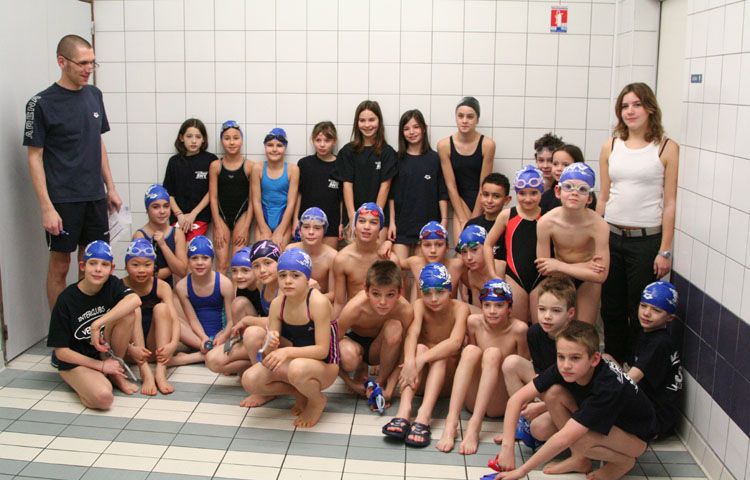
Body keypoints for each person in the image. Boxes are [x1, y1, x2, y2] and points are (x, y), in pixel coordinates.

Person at [25, 34, 123, 311]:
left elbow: (97, 142)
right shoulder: (40, 103)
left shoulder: (94, 95)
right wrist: (47, 207)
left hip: (94, 195)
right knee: (60, 265)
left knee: (92, 263)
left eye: (92, 62)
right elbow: (34, 158)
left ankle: (87, 324)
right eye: (82, 63)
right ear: (62, 62)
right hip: (63, 198)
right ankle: (61, 329)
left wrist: (110, 187)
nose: (88, 69)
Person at [491, 321, 656, 480]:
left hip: (635, 437)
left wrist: (521, 471)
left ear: (594, 359)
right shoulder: (564, 367)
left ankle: (623, 461)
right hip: (608, 420)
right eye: (561, 356)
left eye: (575, 358)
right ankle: (579, 459)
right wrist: (507, 448)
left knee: (581, 441)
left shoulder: (607, 388)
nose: (566, 365)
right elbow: (516, 399)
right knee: (553, 394)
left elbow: (565, 438)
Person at [597, 82, 680, 364]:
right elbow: (604, 196)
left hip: (646, 241)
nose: (630, 111)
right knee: (611, 308)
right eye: (624, 106)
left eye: (636, 105)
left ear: (650, 109)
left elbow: (670, 203)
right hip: (611, 237)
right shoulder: (611, 146)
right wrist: (596, 239)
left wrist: (665, 249)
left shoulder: (666, 148)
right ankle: (614, 366)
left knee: (640, 311)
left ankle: (637, 369)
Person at [240, 248, 340, 428]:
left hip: (325, 366)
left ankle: (316, 400)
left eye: (295, 275)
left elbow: (322, 351)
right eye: (282, 275)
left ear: (307, 279)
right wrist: (270, 344)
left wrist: (285, 352)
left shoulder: (318, 303)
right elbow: (269, 353)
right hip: (296, 362)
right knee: (250, 380)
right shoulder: (277, 304)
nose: (288, 281)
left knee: (297, 368)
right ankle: (299, 391)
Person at [437, 279, 529, 455]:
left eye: (499, 305)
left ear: (510, 308)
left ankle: (475, 425)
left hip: (500, 401)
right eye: (487, 305)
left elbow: (522, 367)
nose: (492, 311)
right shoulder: (474, 322)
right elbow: (473, 364)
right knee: (470, 350)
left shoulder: (519, 329)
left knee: (492, 354)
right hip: (474, 399)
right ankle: (451, 423)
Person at [382, 263, 469, 448]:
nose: (434, 299)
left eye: (440, 292)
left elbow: (455, 343)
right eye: (427, 293)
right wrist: (409, 362)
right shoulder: (419, 305)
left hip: (445, 382)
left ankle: (423, 416)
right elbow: (412, 334)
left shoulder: (460, 308)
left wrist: (419, 360)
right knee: (420, 347)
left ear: (450, 290)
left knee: (438, 354)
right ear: (421, 293)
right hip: (417, 379)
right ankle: (404, 411)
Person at [47, 241, 141, 409]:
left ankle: (115, 373)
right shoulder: (66, 300)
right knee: (104, 398)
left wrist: (97, 324)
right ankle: (93, 378)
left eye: (104, 264)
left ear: (111, 269)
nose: (98, 269)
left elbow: (134, 300)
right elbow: (61, 352)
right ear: (82, 266)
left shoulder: (111, 284)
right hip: (77, 362)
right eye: (93, 263)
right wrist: (100, 366)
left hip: (102, 353)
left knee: (128, 312)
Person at [497, 277, 577, 446]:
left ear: (570, 314)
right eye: (542, 309)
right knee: (511, 363)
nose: (547, 316)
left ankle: (575, 444)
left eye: (556, 311)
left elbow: (578, 391)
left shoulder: (575, 340)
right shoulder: (534, 333)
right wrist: (529, 405)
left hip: (573, 399)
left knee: (539, 429)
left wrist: (542, 407)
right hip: (549, 387)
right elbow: (540, 375)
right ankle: (522, 421)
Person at [536, 163, 609, 324]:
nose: (574, 193)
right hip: (562, 278)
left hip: (587, 281)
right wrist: (586, 266)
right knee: (558, 327)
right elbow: (544, 268)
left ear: (589, 198)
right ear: (558, 191)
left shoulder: (599, 225)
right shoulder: (546, 222)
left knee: (582, 330)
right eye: (568, 187)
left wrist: (559, 265)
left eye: (582, 189)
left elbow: (601, 276)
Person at [337, 260, 414, 404]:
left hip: (379, 349)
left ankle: (380, 381)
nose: (382, 302)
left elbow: (404, 354)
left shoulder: (405, 311)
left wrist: (390, 389)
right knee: (348, 356)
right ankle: (361, 365)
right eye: (376, 294)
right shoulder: (355, 308)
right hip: (355, 341)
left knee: (394, 327)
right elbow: (329, 348)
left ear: (399, 292)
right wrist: (350, 383)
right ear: (366, 290)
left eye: (390, 295)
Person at [621, 281, 682, 438]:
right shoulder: (646, 333)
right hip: (648, 407)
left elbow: (631, 379)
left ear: (670, 317)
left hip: (657, 421)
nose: (646, 313)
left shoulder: (660, 343)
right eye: (643, 306)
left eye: (656, 310)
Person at [485, 166, 545, 323]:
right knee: (517, 327)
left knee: (540, 328)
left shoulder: (548, 216)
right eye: (522, 193)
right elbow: (488, 244)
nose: (528, 198)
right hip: (514, 279)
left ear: (542, 192)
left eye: (534, 193)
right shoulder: (507, 215)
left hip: (541, 279)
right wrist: (493, 275)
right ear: (516, 192)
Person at [388, 109, 448, 263]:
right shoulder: (396, 159)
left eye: (416, 127)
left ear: (424, 128)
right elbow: (391, 195)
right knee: (398, 267)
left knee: (421, 271)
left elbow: (442, 193)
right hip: (402, 225)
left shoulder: (435, 159)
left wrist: (444, 220)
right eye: (406, 128)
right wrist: (392, 223)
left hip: (427, 224)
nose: (411, 132)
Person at [122, 238, 179, 395]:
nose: (141, 270)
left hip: (155, 350)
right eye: (135, 265)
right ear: (126, 266)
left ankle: (161, 371)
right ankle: (145, 371)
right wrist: (130, 348)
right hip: (131, 351)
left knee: (162, 308)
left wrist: (173, 344)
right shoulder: (119, 286)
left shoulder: (161, 286)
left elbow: (174, 319)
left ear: (154, 266)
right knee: (133, 306)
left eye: (147, 265)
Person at [334, 100, 398, 240]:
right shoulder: (348, 151)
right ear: (357, 123)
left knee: (376, 253)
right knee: (354, 253)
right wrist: (352, 216)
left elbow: (385, 187)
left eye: (371, 120)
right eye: (362, 120)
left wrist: (375, 217)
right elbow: (347, 185)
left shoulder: (387, 152)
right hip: (354, 216)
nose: (367, 125)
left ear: (379, 121)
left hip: (379, 216)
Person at [438, 96, 496, 237]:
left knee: (478, 245)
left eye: (470, 117)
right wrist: (463, 219)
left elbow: (484, 185)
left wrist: (475, 218)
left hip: (480, 200)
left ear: (477, 120)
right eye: (460, 116)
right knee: (462, 245)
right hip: (459, 200)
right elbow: (451, 185)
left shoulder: (487, 145)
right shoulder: (444, 145)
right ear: (456, 118)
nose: (464, 121)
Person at [172, 235, 234, 366]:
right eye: (194, 258)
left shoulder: (224, 284)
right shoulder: (182, 286)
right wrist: (203, 337)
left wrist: (222, 336)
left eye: (205, 258)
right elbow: (192, 320)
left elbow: (231, 321)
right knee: (173, 321)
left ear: (212, 260)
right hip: (197, 337)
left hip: (221, 335)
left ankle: (192, 357)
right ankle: (211, 351)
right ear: (189, 260)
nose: (199, 263)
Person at [204, 247, 263, 376]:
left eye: (245, 271)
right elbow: (236, 323)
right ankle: (253, 361)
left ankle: (258, 371)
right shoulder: (242, 288)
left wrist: (248, 321)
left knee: (239, 303)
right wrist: (226, 336)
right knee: (212, 361)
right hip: (252, 339)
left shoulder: (265, 288)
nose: (239, 276)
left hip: (268, 339)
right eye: (235, 271)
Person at [332, 203, 398, 318]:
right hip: (355, 321)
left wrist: (388, 242)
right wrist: (334, 326)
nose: (367, 227)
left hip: (381, 321)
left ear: (380, 228)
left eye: (373, 222)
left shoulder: (390, 259)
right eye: (362, 221)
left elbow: (399, 302)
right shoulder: (342, 259)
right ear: (355, 225)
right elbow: (339, 303)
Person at [380, 221, 466, 302]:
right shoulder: (416, 263)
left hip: (448, 312)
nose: (433, 250)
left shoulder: (457, 265)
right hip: (422, 311)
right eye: (427, 245)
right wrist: (388, 243)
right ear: (420, 248)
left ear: (447, 248)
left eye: (439, 245)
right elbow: (394, 261)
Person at [209, 121, 253, 274]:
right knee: (222, 264)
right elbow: (213, 198)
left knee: (238, 264)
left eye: (236, 138)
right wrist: (217, 226)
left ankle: (235, 292)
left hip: (242, 217)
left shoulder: (249, 166)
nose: (232, 142)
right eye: (227, 138)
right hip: (221, 217)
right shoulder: (215, 166)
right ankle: (220, 291)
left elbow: (253, 200)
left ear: (241, 140)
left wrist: (246, 227)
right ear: (222, 141)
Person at [163, 118, 218, 241]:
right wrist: (179, 215)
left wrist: (194, 214)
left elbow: (212, 191)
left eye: (198, 137)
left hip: (199, 217)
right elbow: (169, 193)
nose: (193, 141)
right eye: (189, 136)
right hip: (178, 217)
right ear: (181, 138)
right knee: (177, 247)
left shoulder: (210, 160)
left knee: (192, 248)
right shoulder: (174, 162)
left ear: (203, 139)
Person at [295, 121, 342, 249]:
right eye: (318, 140)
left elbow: (342, 199)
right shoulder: (304, 164)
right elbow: (299, 195)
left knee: (329, 258)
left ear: (334, 141)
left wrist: (341, 223)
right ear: (312, 140)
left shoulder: (341, 165)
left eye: (327, 140)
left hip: (331, 224)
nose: (322, 144)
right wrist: (295, 219)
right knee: (305, 259)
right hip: (306, 223)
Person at [252, 128, 300, 249]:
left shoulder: (293, 170)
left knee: (279, 257)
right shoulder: (257, 168)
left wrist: (280, 230)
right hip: (263, 221)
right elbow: (256, 201)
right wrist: (263, 228)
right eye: (270, 145)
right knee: (260, 256)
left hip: (283, 222)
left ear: (285, 148)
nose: (274, 149)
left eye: (279, 145)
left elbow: (291, 203)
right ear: (265, 146)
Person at [133, 184, 187, 287]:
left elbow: (182, 271)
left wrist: (163, 245)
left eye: (166, 206)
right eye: (156, 207)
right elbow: (142, 275)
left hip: (168, 290)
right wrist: (173, 268)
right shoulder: (140, 236)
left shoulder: (177, 234)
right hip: (144, 291)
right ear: (147, 210)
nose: (162, 211)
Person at [286, 207, 337, 301]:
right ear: (300, 229)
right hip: (294, 302)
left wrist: (312, 297)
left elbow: (333, 294)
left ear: (324, 231)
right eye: (306, 227)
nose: (311, 232)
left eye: (317, 228)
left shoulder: (332, 256)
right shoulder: (291, 250)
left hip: (320, 304)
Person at [465, 173, 511, 267]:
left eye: (496, 196)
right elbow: (462, 258)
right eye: (486, 195)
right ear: (480, 196)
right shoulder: (471, 224)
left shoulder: (510, 227)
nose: (489, 200)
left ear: (506, 200)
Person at [540, 144, 598, 214]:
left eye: (566, 165)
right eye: (555, 164)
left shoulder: (585, 194)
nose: (559, 168)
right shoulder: (547, 196)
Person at [456, 225, 500, 309]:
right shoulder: (471, 275)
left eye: (474, 250)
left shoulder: (500, 267)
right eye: (464, 252)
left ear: (487, 248)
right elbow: (478, 309)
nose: (469, 257)